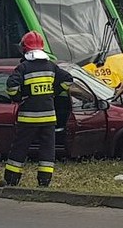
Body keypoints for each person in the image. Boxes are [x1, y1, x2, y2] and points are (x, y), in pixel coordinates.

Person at [4, 31, 73, 187]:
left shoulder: (23, 67)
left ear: (25, 49)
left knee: (20, 148)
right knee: (47, 150)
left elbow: (11, 86)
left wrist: (19, 96)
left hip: (28, 118)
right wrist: (53, 92)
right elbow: (68, 80)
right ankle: (44, 183)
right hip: (48, 118)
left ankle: (12, 180)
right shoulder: (51, 66)